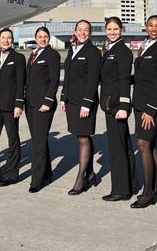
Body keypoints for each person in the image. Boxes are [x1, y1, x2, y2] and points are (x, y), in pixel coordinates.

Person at [131, 15, 157, 208]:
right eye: (151, 25)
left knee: (143, 143)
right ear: (145, 27)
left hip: (153, 105)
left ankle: (148, 194)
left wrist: (150, 110)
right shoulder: (144, 46)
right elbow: (141, 76)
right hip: (140, 102)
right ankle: (156, 185)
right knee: (153, 143)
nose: (154, 29)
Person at [60, 20, 101, 195]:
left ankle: (80, 180)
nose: (83, 32)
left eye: (86, 30)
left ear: (90, 33)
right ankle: (90, 173)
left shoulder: (93, 52)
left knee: (84, 137)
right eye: (80, 29)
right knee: (80, 136)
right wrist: (63, 98)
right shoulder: (73, 48)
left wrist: (86, 104)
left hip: (85, 102)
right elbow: (67, 75)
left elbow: (93, 80)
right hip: (72, 101)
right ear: (75, 31)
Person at [100, 17, 137, 201]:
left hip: (116, 107)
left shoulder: (122, 51)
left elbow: (124, 80)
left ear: (121, 30)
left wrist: (123, 106)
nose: (112, 31)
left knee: (117, 149)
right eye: (109, 29)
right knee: (125, 146)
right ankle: (131, 183)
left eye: (115, 29)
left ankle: (121, 190)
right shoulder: (110, 49)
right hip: (111, 104)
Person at [0, 28, 26, 187]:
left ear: (12, 40)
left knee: (13, 139)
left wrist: (19, 104)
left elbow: (21, 82)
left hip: (10, 106)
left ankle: (12, 174)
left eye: (9, 38)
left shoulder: (18, 58)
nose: (6, 40)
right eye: (3, 37)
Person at [25, 27, 60, 193]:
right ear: (35, 38)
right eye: (40, 36)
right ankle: (46, 173)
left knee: (38, 142)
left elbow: (54, 81)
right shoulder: (33, 55)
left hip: (43, 105)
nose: (43, 39)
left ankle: (36, 180)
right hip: (30, 104)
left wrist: (48, 101)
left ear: (49, 38)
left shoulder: (52, 55)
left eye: (45, 36)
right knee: (39, 140)